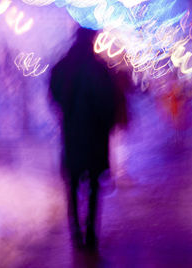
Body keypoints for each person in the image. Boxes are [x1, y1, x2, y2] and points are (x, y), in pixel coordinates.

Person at [49, 27, 123, 250]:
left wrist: (66, 112)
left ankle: (75, 231)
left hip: (71, 135)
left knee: (71, 184)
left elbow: (53, 94)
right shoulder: (98, 68)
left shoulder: (63, 65)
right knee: (93, 185)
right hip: (94, 136)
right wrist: (107, 123)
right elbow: (108, 100)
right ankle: (90, 231)